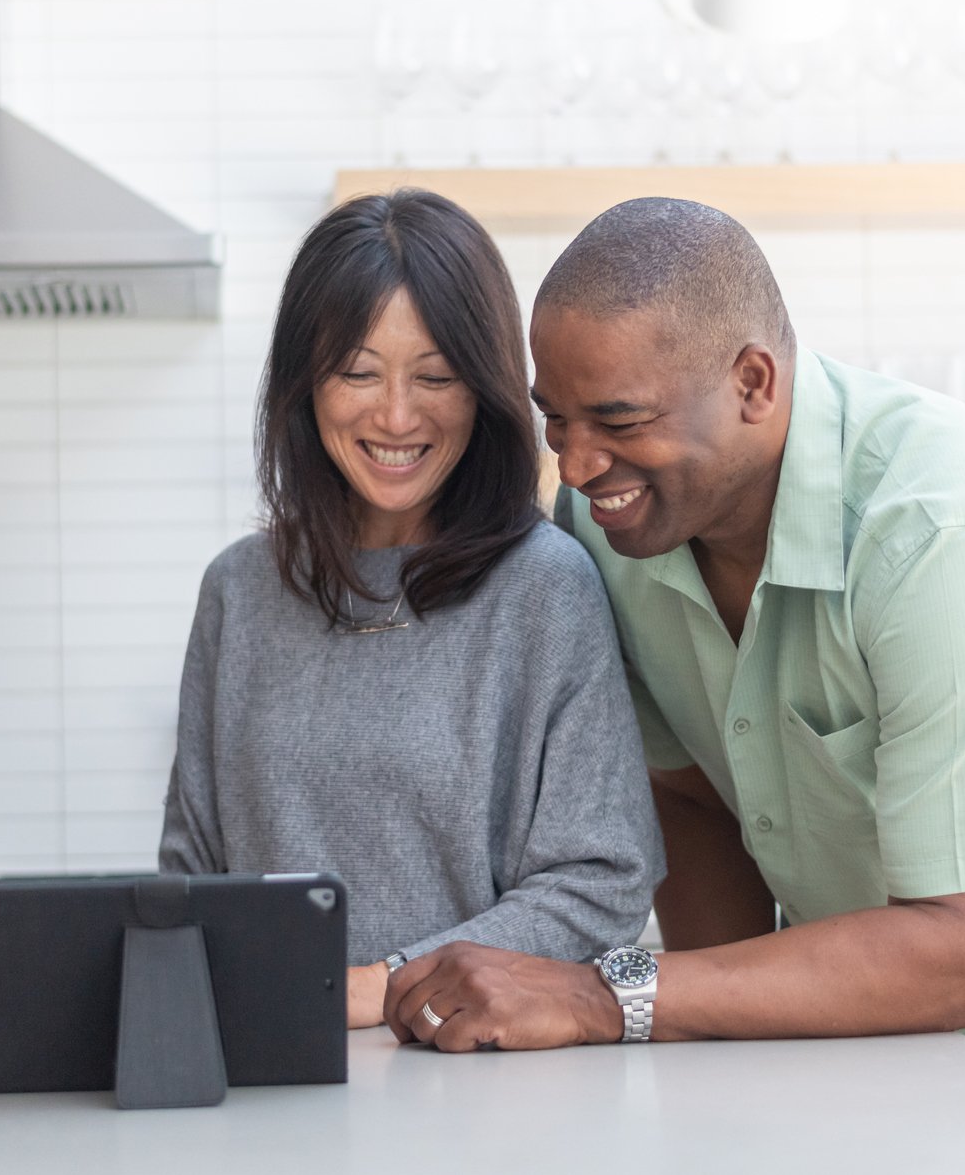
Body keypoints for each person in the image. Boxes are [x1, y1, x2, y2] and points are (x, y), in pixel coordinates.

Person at [385, 197, 965, 1159]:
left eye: (619, 419)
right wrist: (712, 1060)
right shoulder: (609, 530)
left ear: (753, 382)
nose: (580, 464)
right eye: (556, 419)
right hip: (884, 1012)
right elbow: (690, 802)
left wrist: (609, 997)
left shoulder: (943, 527)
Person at [159, 189, 664, 1029]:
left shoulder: (544, 587)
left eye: (435, 376)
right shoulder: (237, 592)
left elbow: (599, 882)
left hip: (475, 1074)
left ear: (486, 389)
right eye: (357, 372)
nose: (396, 415)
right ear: (302, 384)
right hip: (266, 1064)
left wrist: (375, 991)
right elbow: (190, 874)